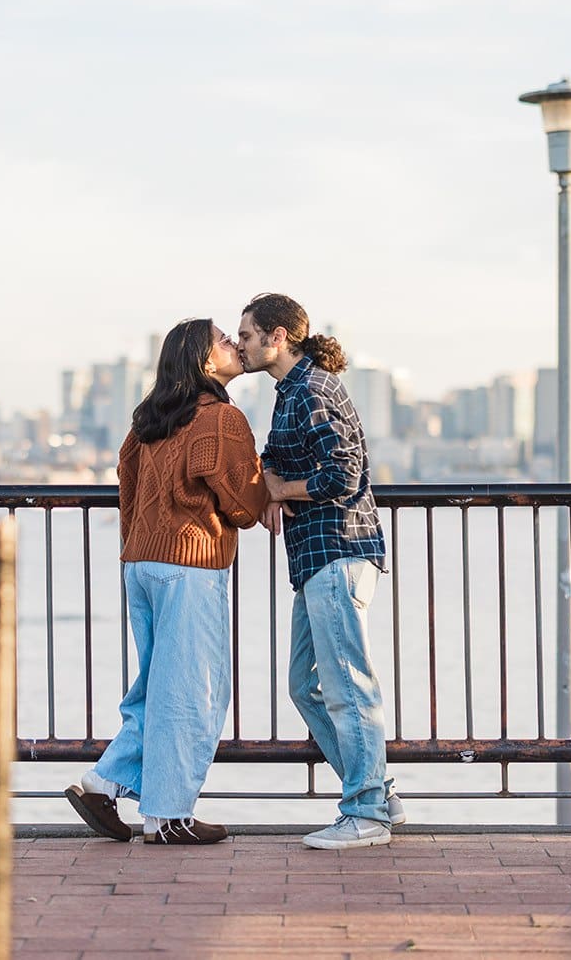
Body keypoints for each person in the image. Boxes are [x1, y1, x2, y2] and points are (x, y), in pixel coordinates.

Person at [65, 318, 269, 845]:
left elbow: (126, 487)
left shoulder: (148, 420)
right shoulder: (221, 419)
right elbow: (245, 507)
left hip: (143, 565)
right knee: (193, 692)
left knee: (159, 685)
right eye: (223, 340)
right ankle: (167, 815)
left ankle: (103, 783)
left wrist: (140, 546)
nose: (232, 345)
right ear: (206, 363)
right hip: (190, 567)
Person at [235, 293, 402, 850]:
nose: (241, 344)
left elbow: (345, 474)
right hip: (316, 559)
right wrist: (272, 476)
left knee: (349, 685)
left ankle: (366, 812)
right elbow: (278, 453)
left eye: (248, 334)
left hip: (338, 552)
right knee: (305, 685)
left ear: (277, 337)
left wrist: (281, 490)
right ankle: (376, 792)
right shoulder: (293, 392)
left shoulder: (311, 389)